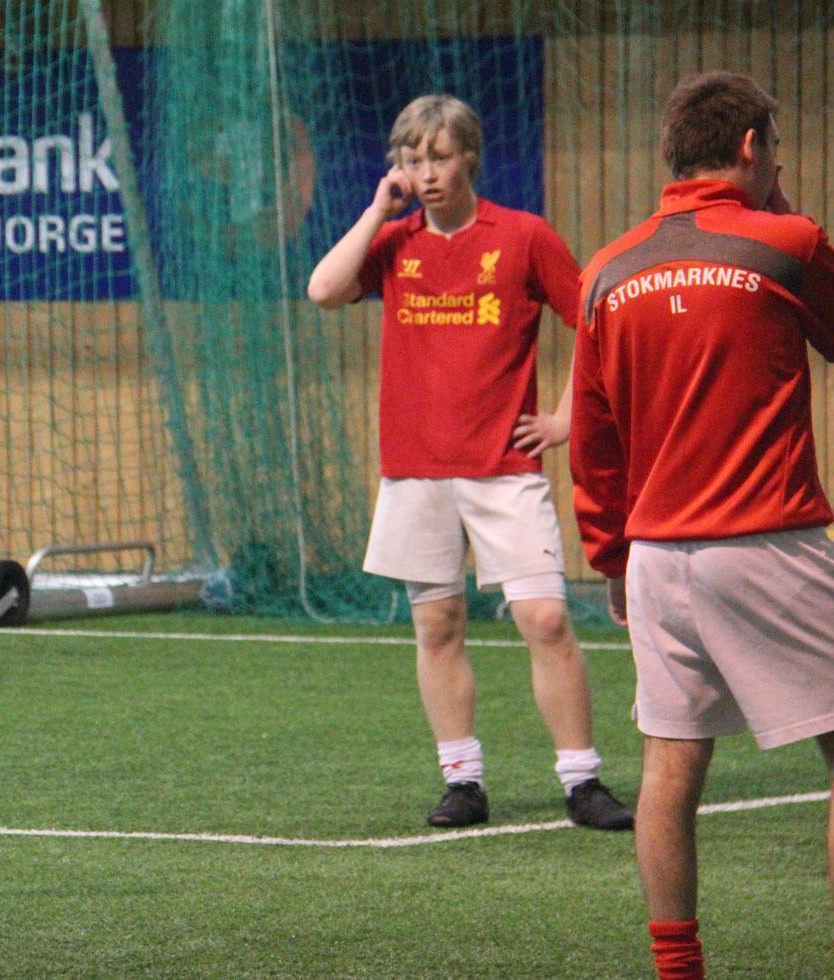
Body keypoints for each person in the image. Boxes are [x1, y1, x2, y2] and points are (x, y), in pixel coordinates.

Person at [306, 94, 633, 831]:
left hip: (503, 470)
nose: (426, 173)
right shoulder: (393, 243)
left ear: (471, 158)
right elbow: (323, 289)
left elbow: (596, 321)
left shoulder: (523, 236)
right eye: (411, 159)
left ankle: (582, 781)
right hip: (415, 471)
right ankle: (463, 782)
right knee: (438, 625)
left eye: (439, 157)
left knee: (545, 618)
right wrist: (377, 210)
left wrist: (566, 417)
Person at [572, 71, 834, 979]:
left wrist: (609, 557)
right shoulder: (787, 242)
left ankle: (678, 971)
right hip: (767, 540)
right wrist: (788, 218)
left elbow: (594, 442)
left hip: (656, 558)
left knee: (670, 767)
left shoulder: (606, 270)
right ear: (754, 147)